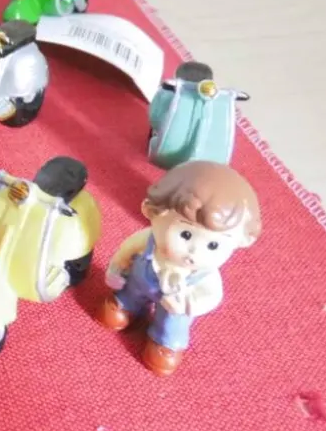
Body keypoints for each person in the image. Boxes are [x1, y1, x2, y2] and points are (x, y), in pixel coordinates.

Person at [98, 160, 261, 375]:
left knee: (173, 322)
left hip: (177, 303)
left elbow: (212, 296)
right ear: (152, 211)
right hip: (140, 280)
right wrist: (117, 268)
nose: (193, 251)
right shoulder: (148, 240)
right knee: (131, 292)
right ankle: (126, 305)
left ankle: (166, 342)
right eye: (185, 234)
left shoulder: (205, 273)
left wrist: (189, 304)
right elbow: (127, 250)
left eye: (213, 245)